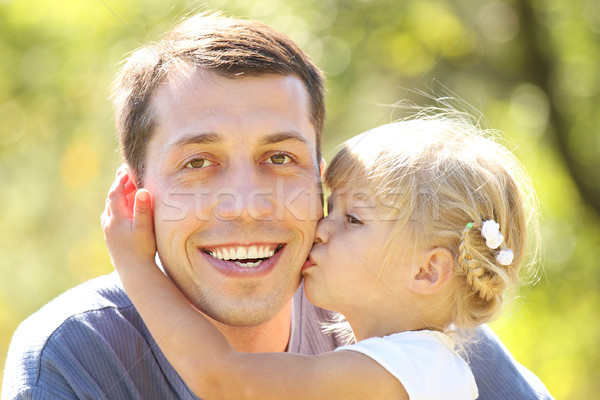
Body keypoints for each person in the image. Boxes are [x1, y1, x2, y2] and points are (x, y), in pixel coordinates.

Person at [2, 12, 553, 399]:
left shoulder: (421, 326)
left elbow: (222, 380)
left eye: (280, 158)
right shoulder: (75, 356)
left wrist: (135, 263)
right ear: (134, 196)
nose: (246, 205)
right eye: (197, 163)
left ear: (317, 179)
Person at [101, 114, 535, 399]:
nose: (322, 227)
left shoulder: (400, 369)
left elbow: (222, 379)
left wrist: (137, 266)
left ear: (427, 270)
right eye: (332, 208)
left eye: (353, 220)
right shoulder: (424, 365)